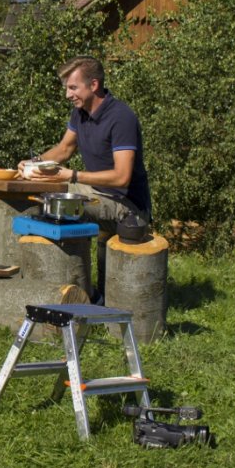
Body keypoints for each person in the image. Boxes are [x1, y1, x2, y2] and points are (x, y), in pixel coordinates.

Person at [20, 55, 151, 300]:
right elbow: (63, 150)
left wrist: (74, 175)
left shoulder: (121, 118)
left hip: (127, 207)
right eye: (66, 88)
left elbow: (122, 177)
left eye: (73, 88)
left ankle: (83, 295)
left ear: (94, 85)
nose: (68, 95)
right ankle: (62, 290)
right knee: (37, 200)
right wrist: (33, 164)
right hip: (96, 195)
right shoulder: (79, 113)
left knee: (56, 208)